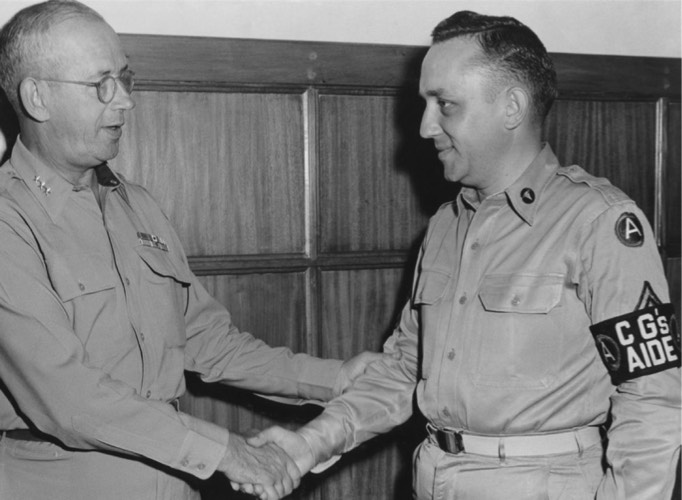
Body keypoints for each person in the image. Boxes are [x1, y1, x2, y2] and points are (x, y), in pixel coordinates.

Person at [245, 10, 682, 500]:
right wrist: (309, 444)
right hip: (434, 478)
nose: (425, 126)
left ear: (512, 107)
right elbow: (405, 367)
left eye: (446, 105)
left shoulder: (599, 222)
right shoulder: (446, 225)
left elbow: (653, 399)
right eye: (426, 104)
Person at [0, 1, 384, 499]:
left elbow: (205, 340)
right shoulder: (9, 222)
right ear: (37, 98)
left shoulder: (136, 205)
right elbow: (70, 399)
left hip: (174, 481)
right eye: (101, 85)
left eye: (125, 78)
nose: (125, 101)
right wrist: (226, 452)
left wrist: (334, 379)